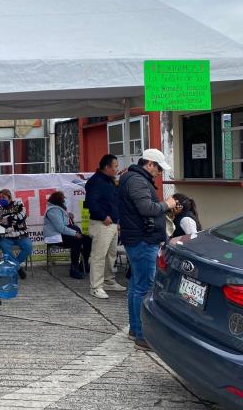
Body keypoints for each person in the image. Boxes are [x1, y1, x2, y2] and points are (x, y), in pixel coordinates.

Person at [118, 149, 177, 351]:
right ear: (150, 164)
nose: (159, 173)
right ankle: (143, 336)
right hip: (143, 241)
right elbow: (147, 209)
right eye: (159, 168)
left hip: (138, 239)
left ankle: (136, 329)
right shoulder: (137, 181)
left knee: (136, 285)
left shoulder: (132, 178)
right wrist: (166, 204)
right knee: (144, 288)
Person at [85, 154, 126, 299]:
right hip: (102, 223)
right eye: (115, 166)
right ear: (107, 167)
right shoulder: (95, 182)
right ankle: (95, 287)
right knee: (98, 256)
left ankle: (109, 281)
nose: (117, 169)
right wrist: (103, 216)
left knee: (111, 255)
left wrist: (117, 221)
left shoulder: (110, 181)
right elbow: (91, 203)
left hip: (113, 223)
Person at [43, 191, 92, 280]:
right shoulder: (53, 210)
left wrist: (69, 217)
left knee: (88, 240)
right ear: (58, 200)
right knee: (76, 241)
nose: (65, 200)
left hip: (62, 235)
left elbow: (65, 224)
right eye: (63, 198)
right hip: (55, 237)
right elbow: (60, 227)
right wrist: (75, 234)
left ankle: (84, 263)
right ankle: (74, 268)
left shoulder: (59, 209)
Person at [0, 189, 32, 279]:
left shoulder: (18, 204)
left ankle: (13, 267)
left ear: (9, 197)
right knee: (3, 246)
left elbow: (22, 217)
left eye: (3, 197)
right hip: (7, 236)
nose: (1, 199)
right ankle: (18, 268)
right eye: (0, 198)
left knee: (28, 247)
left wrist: (8, 219)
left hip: (21, 234)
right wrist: (12, 220)